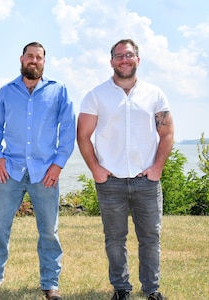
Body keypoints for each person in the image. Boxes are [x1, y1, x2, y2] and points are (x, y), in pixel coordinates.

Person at [0, 42, 75, 300]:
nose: (34, 60)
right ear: (21, 58)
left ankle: (50, 283)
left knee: (49, 230)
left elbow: (68, 130)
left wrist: (58, 163)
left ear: (44, 62)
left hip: (45, 172)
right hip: (11, 170)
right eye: (30, 56)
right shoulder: (7, 91)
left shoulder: (59, 91)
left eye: (39, 57)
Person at [77, 39, 174, 300]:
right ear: (111, 62)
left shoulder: (155, 94)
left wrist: (157, 169)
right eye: (119, 56)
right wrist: (96, 170)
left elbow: (166, 133)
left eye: (129, 55)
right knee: (114, 239)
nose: (124, 59)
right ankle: (121, 289)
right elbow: (83, 135)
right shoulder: (96, 95)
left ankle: (152, 289)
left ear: (138, 60)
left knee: (151, 238)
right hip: (111, 182)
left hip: (147, 181)